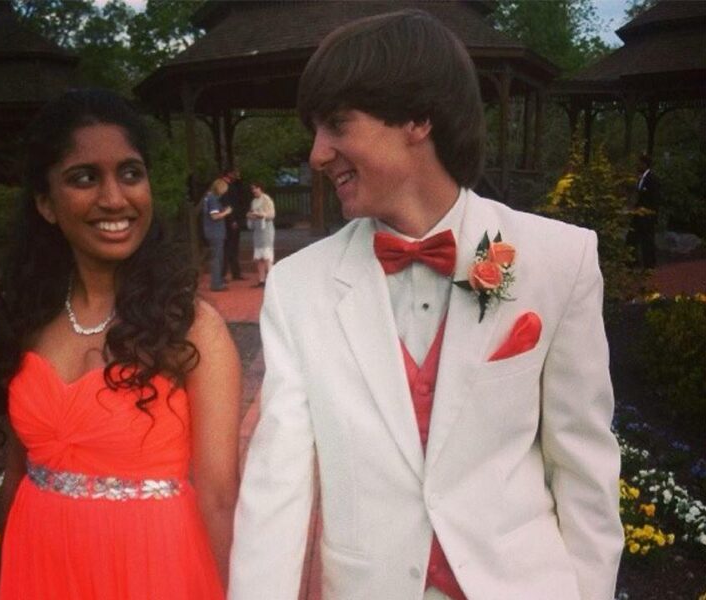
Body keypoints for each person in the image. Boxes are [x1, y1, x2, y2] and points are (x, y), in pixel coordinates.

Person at [229, 10, 622, 600]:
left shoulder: (557, 260)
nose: (317, 154)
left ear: (417, 118)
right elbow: (275, 486)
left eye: (337, 125)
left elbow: (584, 468)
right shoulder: (298, 286)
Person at [0, 89, 240, 599]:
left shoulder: (191, 328)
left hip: (154, 572)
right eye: (84, 178)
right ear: (46, 204)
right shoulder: (26, 318)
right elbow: (15, 473)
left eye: (130, 173)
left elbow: (218, 496)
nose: (115, 198)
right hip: (40, 566)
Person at [629, 153, 661, 268]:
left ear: (644, 164)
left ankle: (649, 264)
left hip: (647, 216)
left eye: (639, 163)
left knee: (647, 240)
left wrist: (652, 215)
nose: (637, 165)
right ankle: (632, 262)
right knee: (632, 238)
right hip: (639, 214)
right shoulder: (640, 178)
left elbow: (655, 198)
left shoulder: (652, 179)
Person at [202, 177, 233, 291]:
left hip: (212, 231)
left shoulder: (208, 197)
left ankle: (217, 281)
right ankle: (216, 283)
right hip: (215, 232)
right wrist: (226, 212)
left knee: (217, 257)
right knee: (217, 258)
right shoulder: (213, 199)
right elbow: (214, 216)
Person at [246, 182, 276, 287]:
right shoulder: (254, 201)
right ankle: (261, 279)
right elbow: (252, 213)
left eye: (256, 188)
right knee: (259, 257)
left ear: (261, 188)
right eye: (252, 189)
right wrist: (251, 216)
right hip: (258, 230)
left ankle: (271, 279)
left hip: (266, 229)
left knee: (267, 256)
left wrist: (261, 215)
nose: (254, 190)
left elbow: (272, 214)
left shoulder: (266, 199)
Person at [221, 169, 247, 281]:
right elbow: (227, 204)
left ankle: (235, 272)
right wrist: (232, 220)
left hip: (233, 219)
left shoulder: (233, 186)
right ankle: (223, 274)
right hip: (229, 221)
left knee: (233, 247)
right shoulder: (224, 187)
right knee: (228, 248)